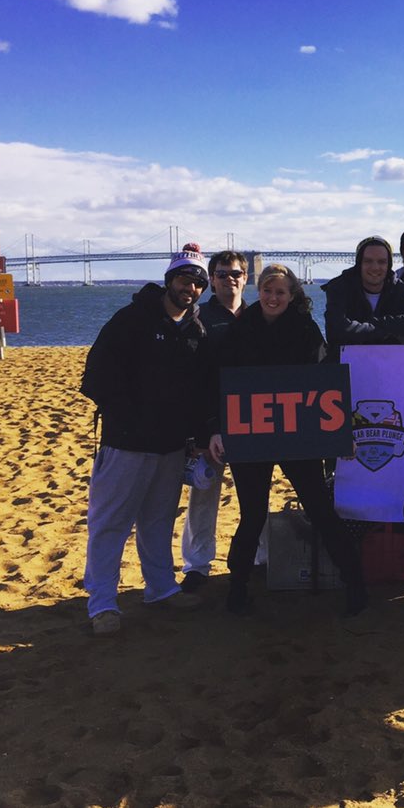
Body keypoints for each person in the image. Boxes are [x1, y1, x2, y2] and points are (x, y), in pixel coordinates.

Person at [208, 264, 367, 616]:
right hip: (251, 433)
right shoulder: (241, 329)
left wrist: (340, 433)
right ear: (259, 292)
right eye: (267, 290)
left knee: (321, 510)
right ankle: (237, 587)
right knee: (251, 515)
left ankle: (354, 582)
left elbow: (327, 381)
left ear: (292, 295)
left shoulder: (306, 330)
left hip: (299, 434)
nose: (273, 297)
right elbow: (220, 383)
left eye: (281, 292)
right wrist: (216, 427)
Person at [79, 243, 212, 636]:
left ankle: (160, 588)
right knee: (109, 525)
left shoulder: (196, 330)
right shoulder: (131, 319)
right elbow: (96, 376)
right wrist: (129, 415)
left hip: (171, 446)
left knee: (157, 523)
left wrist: (194, 433)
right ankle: (102, 603)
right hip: (126, 443)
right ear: (170, 278)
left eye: (198, 283)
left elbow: (200, 389)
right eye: (185, 278)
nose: (190, 287)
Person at [180, 250, 248, 593]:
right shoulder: (198, 317)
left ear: (245, 278)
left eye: (235, 273)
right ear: (212, 280)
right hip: (212, 422)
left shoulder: (260, 314)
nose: (229, 279)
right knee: (204, 493)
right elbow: (194, 379)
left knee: (256, 495)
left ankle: (261, 557)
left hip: (255, 420)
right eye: (221, 274)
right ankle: (197, 564)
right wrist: (206, 428)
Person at [322, 235, 404, 359]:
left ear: (389, 265)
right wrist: (388, 329)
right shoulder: (339, 287)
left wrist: (373, 325)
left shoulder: (400, 289)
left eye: (381, 262)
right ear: (359, 263)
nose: (375, 267)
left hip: (389, 364)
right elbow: (335, 332)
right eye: (368, 261)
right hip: (347, 366)